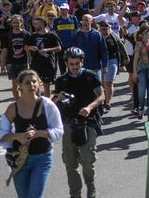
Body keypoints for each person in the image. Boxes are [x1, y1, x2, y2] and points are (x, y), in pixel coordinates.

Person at [0, 70, 63, 198]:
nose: (32, 85)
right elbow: (1, 136)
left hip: (42, 159)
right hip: (20, 160)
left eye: (34, 81)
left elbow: (59, 130)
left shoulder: (47, 104)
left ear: (39, 83)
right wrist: (18, 136)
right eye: (27, 82)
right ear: (19, 86)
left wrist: (39, 133)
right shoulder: (13, 108)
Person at [53, 48, 104, 198]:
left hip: (88, 122)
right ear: (66, 63)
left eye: (77, 63)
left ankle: (91, 186)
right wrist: (57, 98)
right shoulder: (61, 80)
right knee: (70, 163)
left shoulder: (91, 76)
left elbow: (102, 97)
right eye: (71, 64)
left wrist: (89, 107)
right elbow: (54, 103)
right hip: (69, 124)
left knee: (88, 160)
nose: (74, 66)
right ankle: (75, 194)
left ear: (82, 61)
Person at [25, 17, 62, 97]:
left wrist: (47, 50)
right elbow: (26, 47)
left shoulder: (51, 35)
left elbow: (59, 48)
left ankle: (46, 104)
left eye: (36, 24)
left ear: (42, 24)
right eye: (34, 24)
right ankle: (37, 102)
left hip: (48, 64)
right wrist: (31, 48)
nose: (34, 25)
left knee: (46, 86)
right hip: (35, 64)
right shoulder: (33, 36)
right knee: (35, 84)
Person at [97, 21, 128, 112]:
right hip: (100, 62)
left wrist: (125, 58)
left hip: (112, 61)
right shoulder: (97, 37)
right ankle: (103, 99)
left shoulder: (113, 36)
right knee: (102, 83)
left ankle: (107, 102)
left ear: (109, 27)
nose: (104, 28)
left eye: (106, 26)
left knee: (108, 82)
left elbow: (121, 47)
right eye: (102, 26)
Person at [132, 25, 149, 119]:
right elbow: (135, 59)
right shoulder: (139, 43)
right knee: (141, 90)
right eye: (148, 32)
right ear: (143, 34)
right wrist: (134, 72)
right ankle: (141, 108)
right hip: (142, 68)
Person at [1, 15, 31, 100]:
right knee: (14, 84)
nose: (16, 24)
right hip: (11, 62)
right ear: (11, 24)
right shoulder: (7, 36)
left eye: (17, 22)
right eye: (14, 23)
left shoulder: (26, 35)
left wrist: (30, 61)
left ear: (21, 23)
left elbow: (28, 50)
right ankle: (18, 101)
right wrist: (2, 64)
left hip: (23, 62)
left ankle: (23, 99)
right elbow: (4, 50)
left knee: (23, 83)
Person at [71, 15, 108, 80]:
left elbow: (103, 50)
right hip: (81, 68)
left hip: (95, 67)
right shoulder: (76, 35)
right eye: (83, 20)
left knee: (97, 89)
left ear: (91, 21)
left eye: (86, 20)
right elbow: (73, 52)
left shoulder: (98, 35)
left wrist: (105, 65)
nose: (84, 22)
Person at [52, 3, 80, 74]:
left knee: (72, 63)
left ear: (67, 10)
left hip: (72, 45)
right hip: (61, 46)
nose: (62, 11)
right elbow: (54, 33)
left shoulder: (73, 18)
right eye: (61, 9)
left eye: (64, 9)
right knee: (62, 65)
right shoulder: (56, 20)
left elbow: (77, 31)